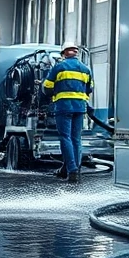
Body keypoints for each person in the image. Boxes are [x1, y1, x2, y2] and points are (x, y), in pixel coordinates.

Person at [42, 43, 93, 183]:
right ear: (76, 53)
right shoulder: (85, 69)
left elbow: (46, 87)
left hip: (64, 107)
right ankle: (75, 168)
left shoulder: (59, 67)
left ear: (64, 53)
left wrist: (53, 93)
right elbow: (90, 89)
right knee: (76, 139)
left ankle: (72, 170)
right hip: (80, 108)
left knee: (65, 137)